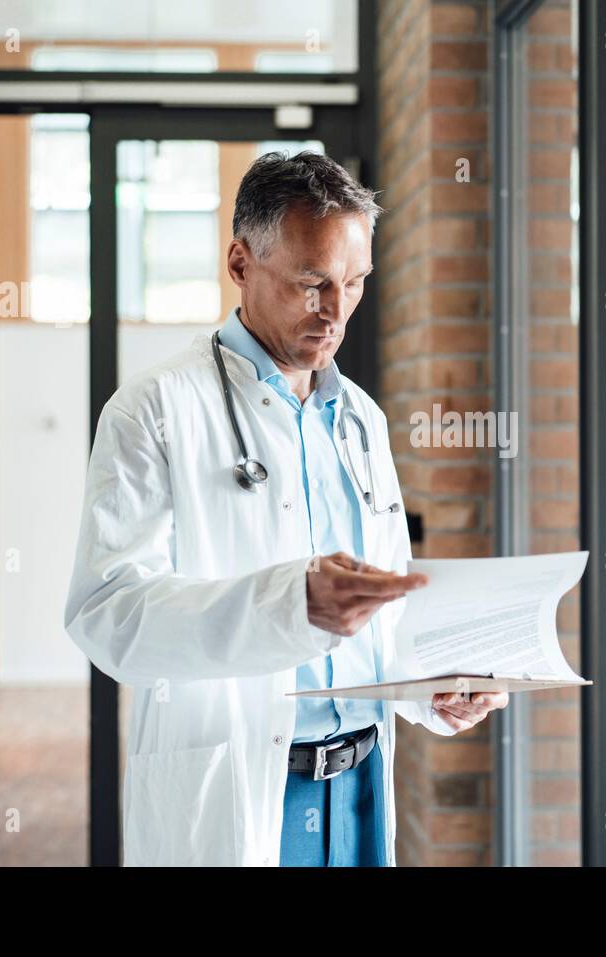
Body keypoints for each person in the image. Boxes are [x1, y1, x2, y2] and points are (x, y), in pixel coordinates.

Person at [63, 151, 507, 867]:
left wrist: (436, 689)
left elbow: (382, 610)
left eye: (355, 282)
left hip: (359, 786)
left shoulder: (359, 418)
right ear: (240, 262)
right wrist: (287, 604)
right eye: (312, 283)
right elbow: (109, 617)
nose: (336, 311)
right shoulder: (155, 409)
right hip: (241, 789)